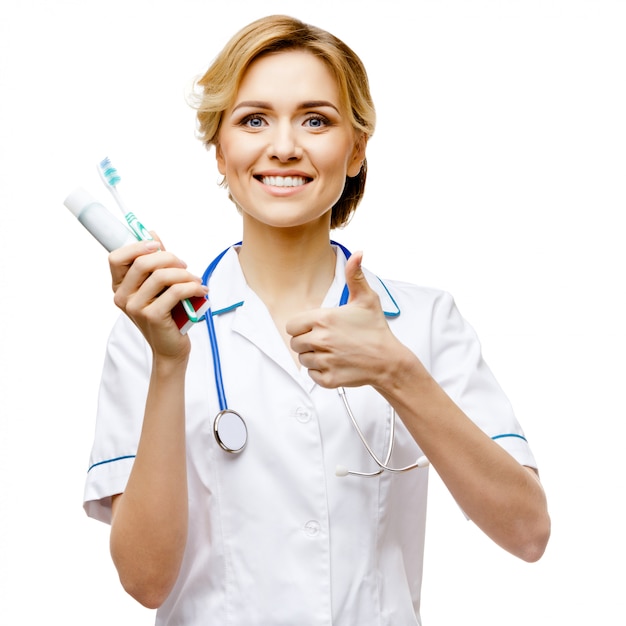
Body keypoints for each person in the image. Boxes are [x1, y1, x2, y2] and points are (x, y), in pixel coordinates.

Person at [83, 14, 550, 625]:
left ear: (356, 150)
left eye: (316, 120)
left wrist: (397, 372)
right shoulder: (152, 331)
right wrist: (171, 367)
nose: (283, 146)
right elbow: (145, 581)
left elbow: (527, 533)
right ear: (219, 150)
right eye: (254, 120)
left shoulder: (425, 320)